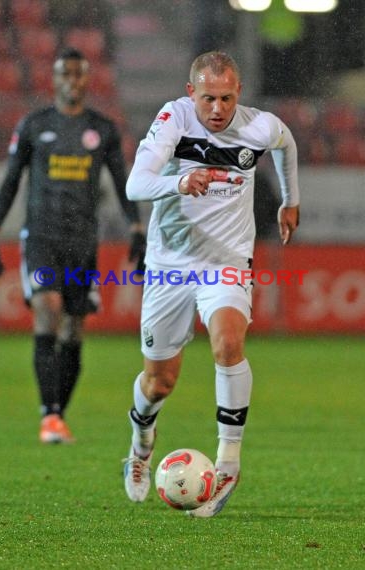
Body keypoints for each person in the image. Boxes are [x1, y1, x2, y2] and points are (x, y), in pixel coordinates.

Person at [122, 51, 300, 517]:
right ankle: (141, 441)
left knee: (227, 344)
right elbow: (135, 186)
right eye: (207, 98)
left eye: (225, 98)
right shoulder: (173, 120)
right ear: (190, 94)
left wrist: (290, 200)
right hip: (169, 265)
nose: (217, 109)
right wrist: (179, 184)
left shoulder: (259, 125)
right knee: (160, 382)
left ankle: (227, 462)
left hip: (226, 264)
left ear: (238, 93)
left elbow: (287, 145)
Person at [0, 47, 145, 444]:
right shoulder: (35, 125)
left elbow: (123, 180)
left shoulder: (102, 129)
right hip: (40, 238)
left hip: (82, 242)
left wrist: (136, 227)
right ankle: (48, 415)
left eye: (78, 73)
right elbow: (11, 180)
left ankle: (59, 414)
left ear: (88, 79)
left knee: (73, 328)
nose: (72, 80)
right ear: (53, 79)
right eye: (64, 73)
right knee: (47, 309)